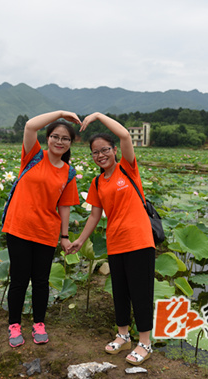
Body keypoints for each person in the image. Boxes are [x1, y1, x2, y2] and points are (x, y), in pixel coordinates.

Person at [67, 112, 155, 365]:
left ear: (114, 150)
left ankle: (145, 343)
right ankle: (123, 336)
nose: (100, 155)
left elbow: (125, 134)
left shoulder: (128, 169)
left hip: (139, 241)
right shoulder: (96, 182)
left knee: (140, 292)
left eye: (104, 150)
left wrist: (96, 116)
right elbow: (95, 216)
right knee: (120, 292)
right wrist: (80, 241)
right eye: (95, 152)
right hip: (115, 243)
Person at [2, 110, 81, 347]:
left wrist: (65, 237)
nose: (59, 141)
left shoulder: (68, 173)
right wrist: (61, 114)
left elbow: (65, 207)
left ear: (70, 144)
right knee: (18, 279)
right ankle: (14, 324)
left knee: (40, 281)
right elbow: (29, 126)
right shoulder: (34, 156)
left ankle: (39, 323)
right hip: (19, 228)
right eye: (55, 136)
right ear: (48, 138)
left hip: (46, 232)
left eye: (65, 138)